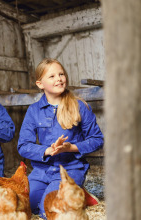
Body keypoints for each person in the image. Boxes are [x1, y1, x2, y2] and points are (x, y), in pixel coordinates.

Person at [17, 58, 104, 219]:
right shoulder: (34, 110)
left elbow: (97, 139)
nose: (59, 78)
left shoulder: (79, 106)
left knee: (49, 210)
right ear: (40, 84)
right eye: (52, 76)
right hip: (42, 171)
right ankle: (77, 195)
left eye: (61, 74)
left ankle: (76, 193)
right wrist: (47, 150)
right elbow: (23, 146)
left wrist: (71, 148)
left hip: (70, 169)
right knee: (25, 206)